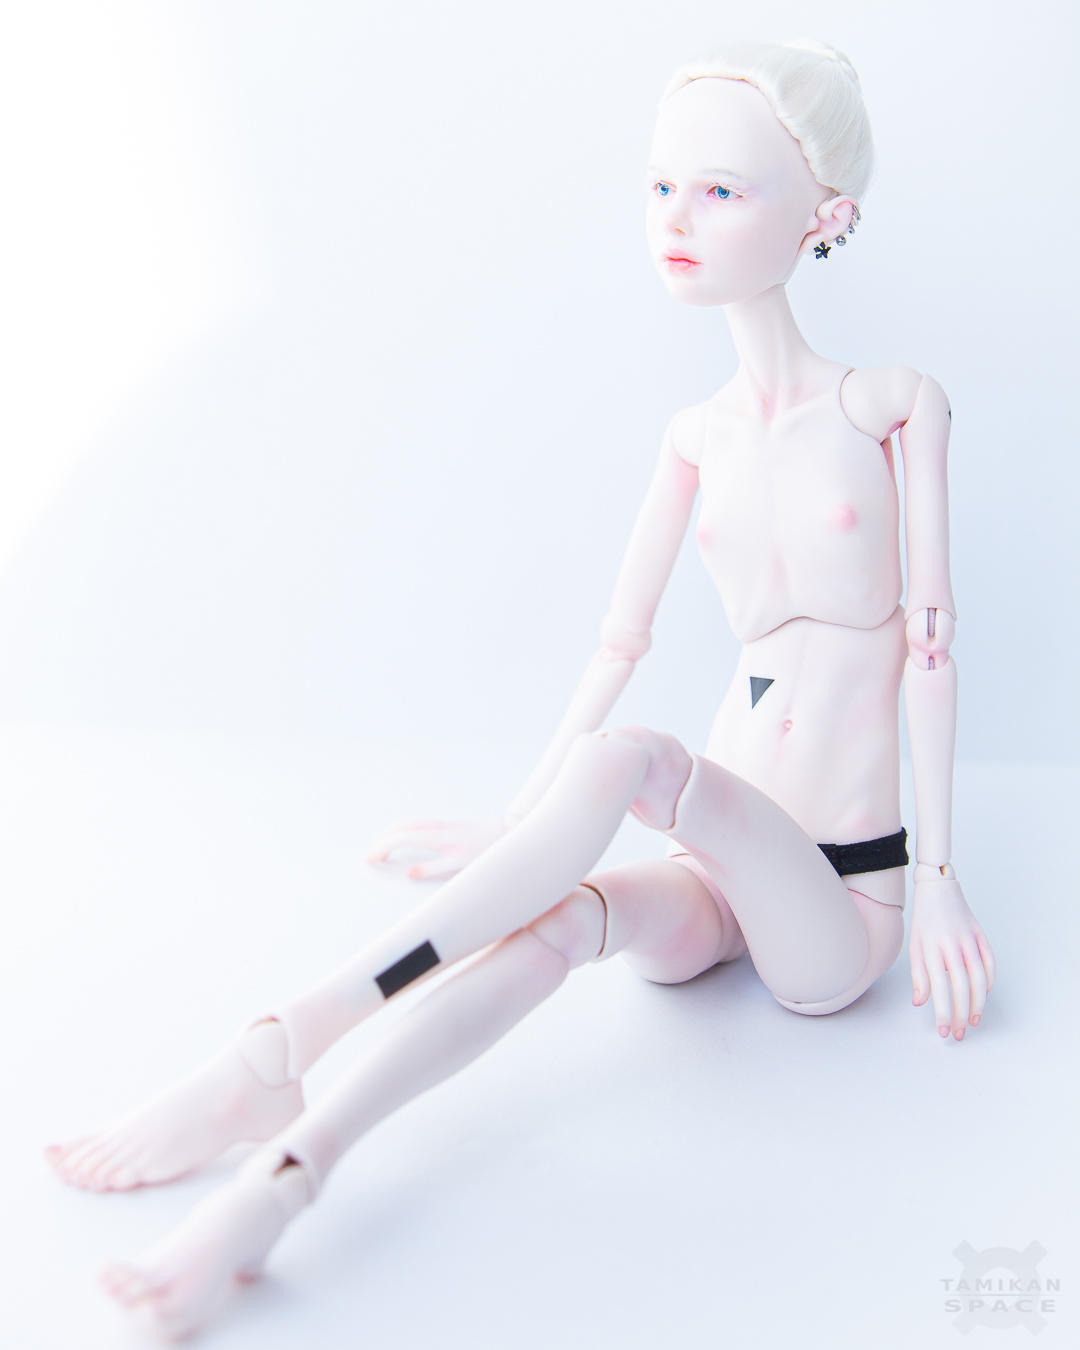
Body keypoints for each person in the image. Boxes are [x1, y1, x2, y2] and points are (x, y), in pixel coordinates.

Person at [46, 39, 995, 1339]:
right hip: (713, 871)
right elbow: (617, 644)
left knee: (635, 761)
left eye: (721, 191)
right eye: (662, 187)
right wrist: (518, 828)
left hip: (840, 899)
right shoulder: (696, 437)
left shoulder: (895, 405)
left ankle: (282, 1039)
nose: (676, 219)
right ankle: (282, 1180)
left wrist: (936, 879)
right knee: (551, 925)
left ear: (825, 215)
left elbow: (933, 649)